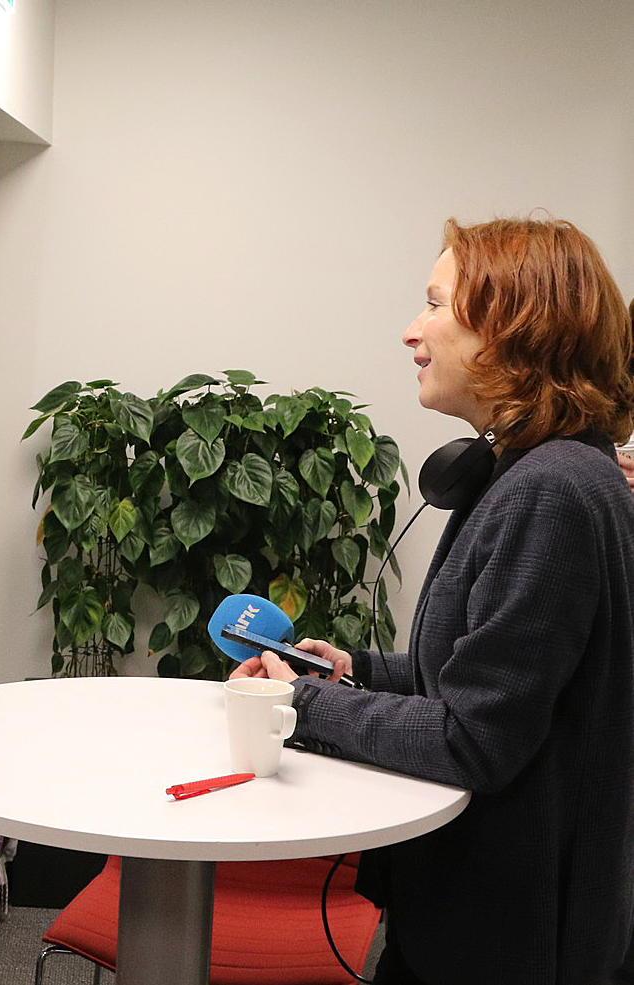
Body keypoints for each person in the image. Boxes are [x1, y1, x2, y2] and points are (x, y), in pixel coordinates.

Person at [232, 217, 634, 985]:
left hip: (504, 944)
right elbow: (488, 678)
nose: (413, 331)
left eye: (436, 305)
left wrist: (303, 703)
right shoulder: (538, 475)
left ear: (515, 326)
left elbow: (474, 737)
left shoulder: (550, 491)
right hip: (484, 917)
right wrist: (357, 669)